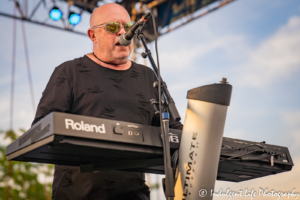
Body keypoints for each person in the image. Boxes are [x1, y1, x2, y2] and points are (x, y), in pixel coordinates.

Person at [32, 3, 182, 200]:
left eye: (127, 27)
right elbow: (41, 130)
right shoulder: (69, 72)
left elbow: (176, 134)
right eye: (112, 27)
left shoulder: (148, 76)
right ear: (93, 35)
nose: (122, 32)